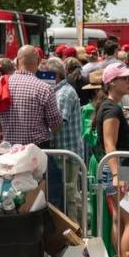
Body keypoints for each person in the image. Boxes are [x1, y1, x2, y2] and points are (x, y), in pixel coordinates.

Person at [94, 62, 129, 257]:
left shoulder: (112, 106)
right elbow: (109, 143)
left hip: (122, 167)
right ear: (111, 83)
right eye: (124, 78)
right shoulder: (112, 109)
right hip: (119, 168)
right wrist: (116, 175)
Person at [0, 45, 62, 147]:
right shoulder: (45, 89)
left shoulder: (1, 85)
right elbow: (56, 125)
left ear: (16, 63)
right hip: (37, 153)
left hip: (10, 151)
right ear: (38, 62)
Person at [42, 57, 84, 211]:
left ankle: (74, 231)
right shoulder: (59, 91)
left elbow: (58, 124)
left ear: (55, 75)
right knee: (69, 192)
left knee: (69, 194)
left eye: (45, 74)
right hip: (63, 152)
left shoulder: (63, 94)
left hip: (66, 153)